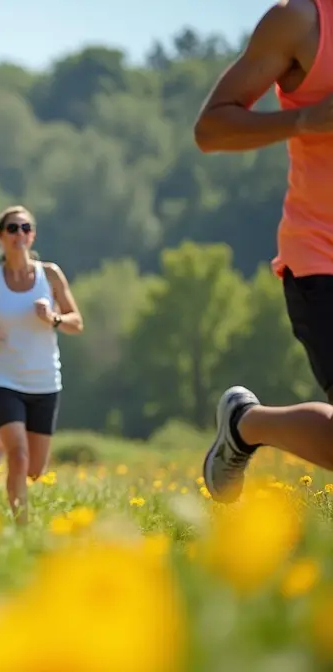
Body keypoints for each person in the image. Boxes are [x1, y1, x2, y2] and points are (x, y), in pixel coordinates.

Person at [195, 0, 333, 502]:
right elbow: (210, 129)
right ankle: (248, 424)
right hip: (322, 255)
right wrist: (304, 121)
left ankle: (244, 424)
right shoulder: (301, 21)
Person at [0, 206, 83, 524]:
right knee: (18, 457)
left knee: (34, 471)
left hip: (45, 380)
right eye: (12, 228)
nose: (19, 234)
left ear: (32, 235)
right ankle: (21, 527)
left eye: (25, 228)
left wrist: (55, 318)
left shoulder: (50, 275)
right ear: (0, 236)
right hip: (4, 378)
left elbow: (77, 322)